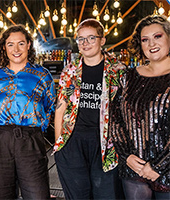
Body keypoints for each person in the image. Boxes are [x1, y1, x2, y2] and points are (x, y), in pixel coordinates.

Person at [0, 24, 56, 200]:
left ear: (29, 45)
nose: (16, 49)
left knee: (38, 195)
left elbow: (50, 106)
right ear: (4, 47)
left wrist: (37, 129)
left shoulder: (43, 76)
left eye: (21, 43)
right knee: (0, 196)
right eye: (10, 44)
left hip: (31, 140)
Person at [53, 18, 125, 199]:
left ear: (102, 40)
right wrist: (59, 146)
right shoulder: (69, 72)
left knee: (107, 195)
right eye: (81, 39)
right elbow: (60, 109)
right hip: (72, 142)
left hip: (106, 144)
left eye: (91, 38)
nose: (85, 43)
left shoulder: (118, 71)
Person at [109, 15, 170, 200]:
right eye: (145, 39)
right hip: (133, 168)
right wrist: (126, 156)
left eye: (157, 36)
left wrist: (158, 166)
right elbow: (115, 118)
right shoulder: (128, 77)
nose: (151, 43)